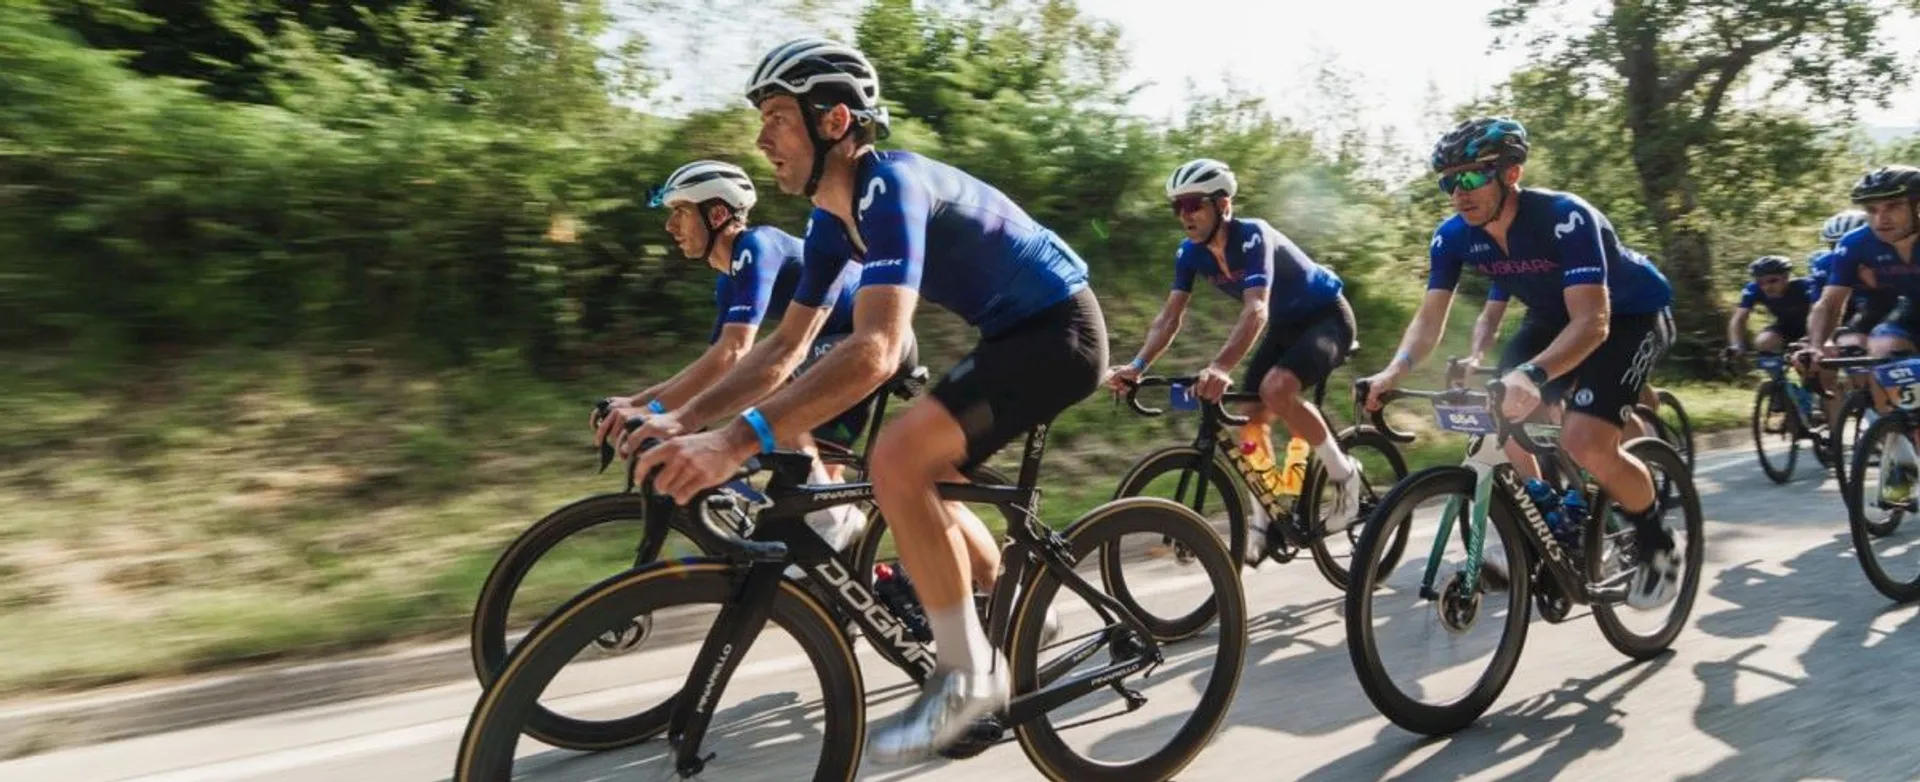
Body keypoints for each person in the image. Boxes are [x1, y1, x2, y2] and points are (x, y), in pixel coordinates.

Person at [624, 38, 1105, 761]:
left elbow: (878, 346)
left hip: (1061, 331)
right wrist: (681, 420)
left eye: (777, 117)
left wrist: (732, 442)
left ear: (834, 121)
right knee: (911, 472)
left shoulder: (890, 186)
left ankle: (969, 675)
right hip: (1009, 334)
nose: (761, 139)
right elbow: (781, 353)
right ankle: (1012, 604)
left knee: (895, 458)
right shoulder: (827, 224)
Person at [1359, 116, 1681, 610]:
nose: (1459, 193)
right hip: (1553, 317)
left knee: (1585, 440)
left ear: (1511, 174)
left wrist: (1533, 374)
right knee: (1499, 411)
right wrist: (1393, 371)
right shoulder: (1453, 237)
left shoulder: (1566, 217)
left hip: (1628, 316)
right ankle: (1549, 517)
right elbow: (1429, 320)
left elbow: (1593, 322)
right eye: (1449, 182)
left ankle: (1658, 544)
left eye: (1471, 177)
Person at [591, 159, 873, 551]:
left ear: (718, 214)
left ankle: (834, 520)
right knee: (815, 506)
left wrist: (658, 411)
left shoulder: (757, 247)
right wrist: (638, 404)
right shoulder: (729, 282)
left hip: (863, 339)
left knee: (768, 383)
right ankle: (850, 564)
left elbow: (734, 353)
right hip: (824, 345)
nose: (670, 227)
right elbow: (716, 363)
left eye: (680, 212)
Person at [1105, 157, 1364, 564]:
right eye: (1177, 207)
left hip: (1326, 317)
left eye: (1193, 204)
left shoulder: (1253, 235)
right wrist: (1137, 366)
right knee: (1248, 412)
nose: (1184, 215)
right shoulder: (1190, 253)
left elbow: (1256, 309)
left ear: (1222, 205)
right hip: (1286, 326)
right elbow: (1170, 317)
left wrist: (1221, 366)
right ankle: (1263, 517)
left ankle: (1346, 477)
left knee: (1276, 389)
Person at [1801, 165, 1920, 502]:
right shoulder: (1856, 243)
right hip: (1911, 311)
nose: (1881, 218)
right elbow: (1829, 303)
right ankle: (1902, 460)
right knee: (1882, 347)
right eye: (1872, 209)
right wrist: (1817, 346)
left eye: (1893, 206)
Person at [1725, 255, 1814, 357]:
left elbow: (1819, 313)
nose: (1767, 287)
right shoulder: (1754, 289)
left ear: (1786, 276)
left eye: (1773, 281)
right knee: (1764, 341)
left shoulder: (1806, 286)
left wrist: (1810, 339)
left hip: (1817, 326)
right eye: (1760, 282)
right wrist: (1737, 345)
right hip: (1785, 328)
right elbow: (1738, 319)